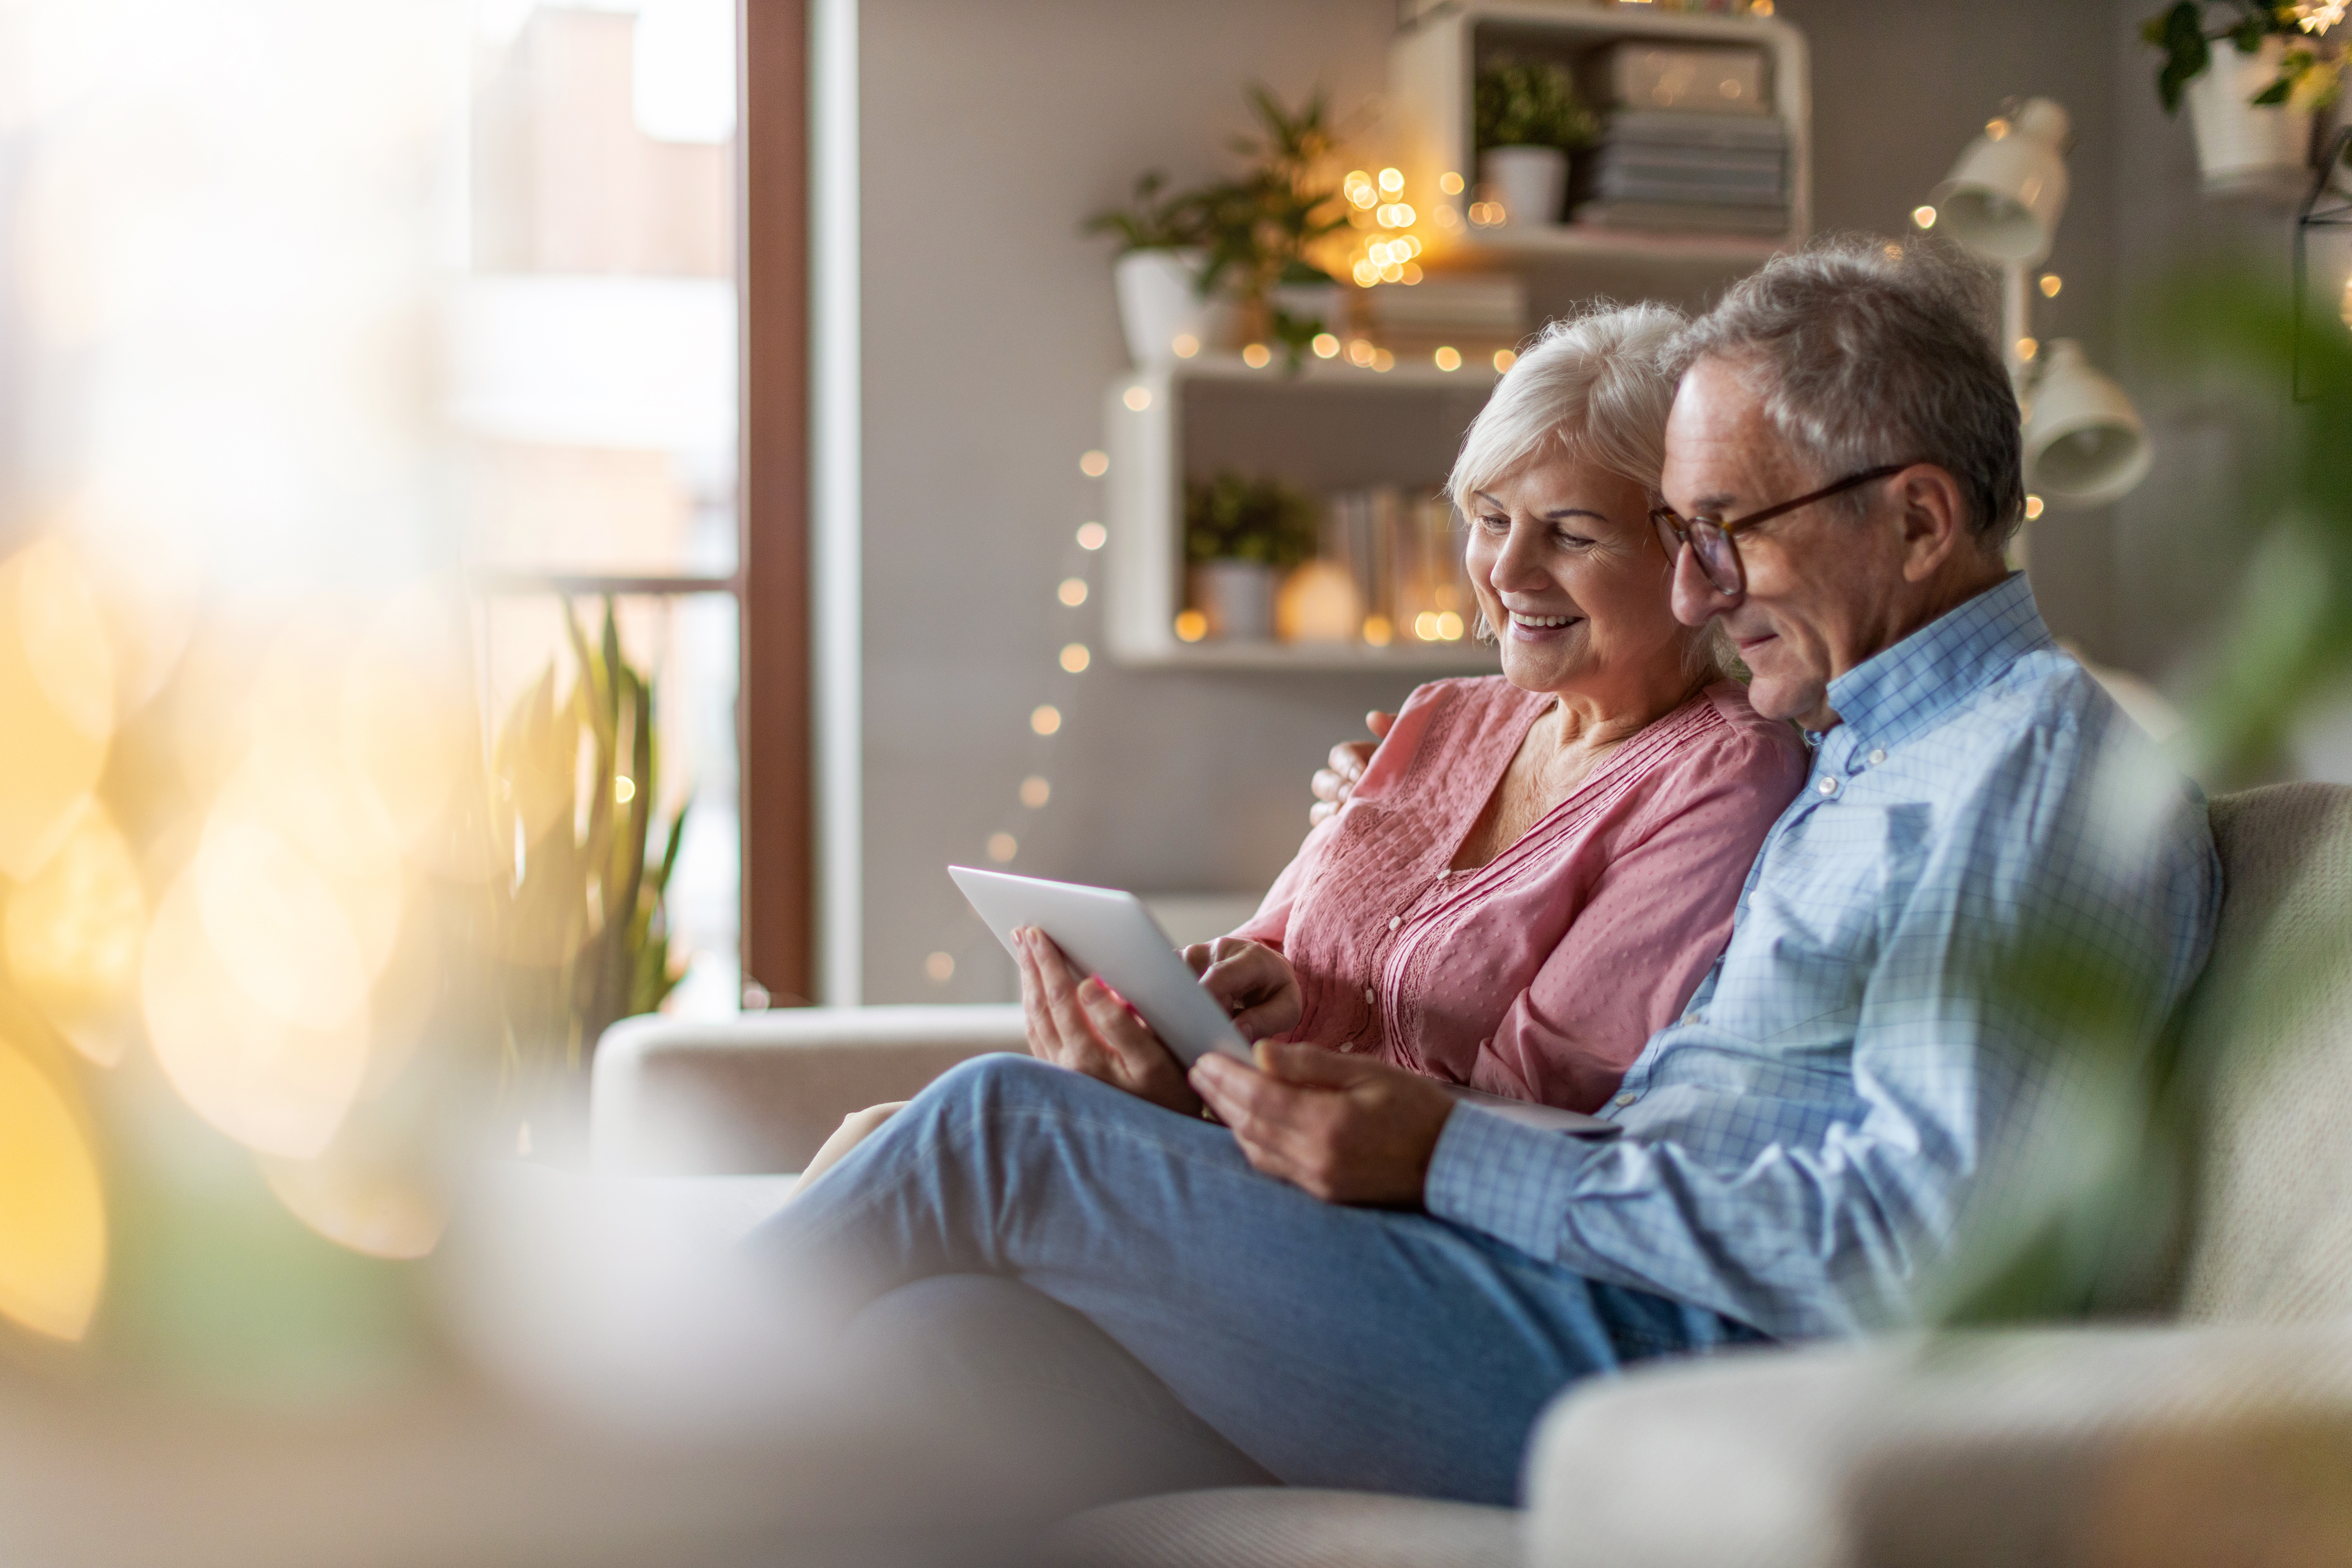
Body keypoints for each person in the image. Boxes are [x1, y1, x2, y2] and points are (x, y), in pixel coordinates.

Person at [749, 237, 2220, 1508]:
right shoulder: (1870, 752)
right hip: (1599, 1305)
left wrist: (1449, 1156)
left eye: (1725, 534)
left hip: (1707, 1374)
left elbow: (1923, 1259)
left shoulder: (2027, 773)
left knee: (1003, 1127)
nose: (1696, 590)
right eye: (1685, 535)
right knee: (943, 1344)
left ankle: (606, 1427)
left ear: (1916, 520)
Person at [789, 304, 1805, 1195]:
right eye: (1491, 519)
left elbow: (1537, 1102)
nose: (1506, 571)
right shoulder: (1445, 716)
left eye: (1571, 535)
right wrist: (1238, 997)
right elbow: (1281, 951)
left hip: (1392, 1219)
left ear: (1693, 557)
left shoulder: (1726, 772)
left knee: (944, 1130)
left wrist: (1204, 1099)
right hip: (1251, 1144)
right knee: (884, 1145)